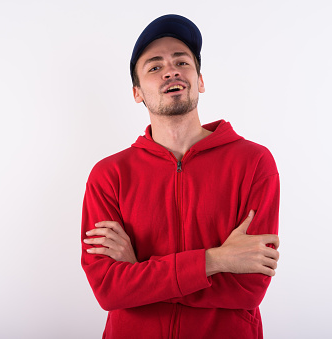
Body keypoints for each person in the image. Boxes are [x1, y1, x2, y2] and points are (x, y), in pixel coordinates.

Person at [81, 14, 280, 339]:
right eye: (154, 66)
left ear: (199, 80)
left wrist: (138, 275)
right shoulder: (109, 175)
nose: (171, 70)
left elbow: (249, 288)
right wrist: (216, 260)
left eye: (182, 62)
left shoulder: (254, 162)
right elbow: (108, 290)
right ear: (137, 93)